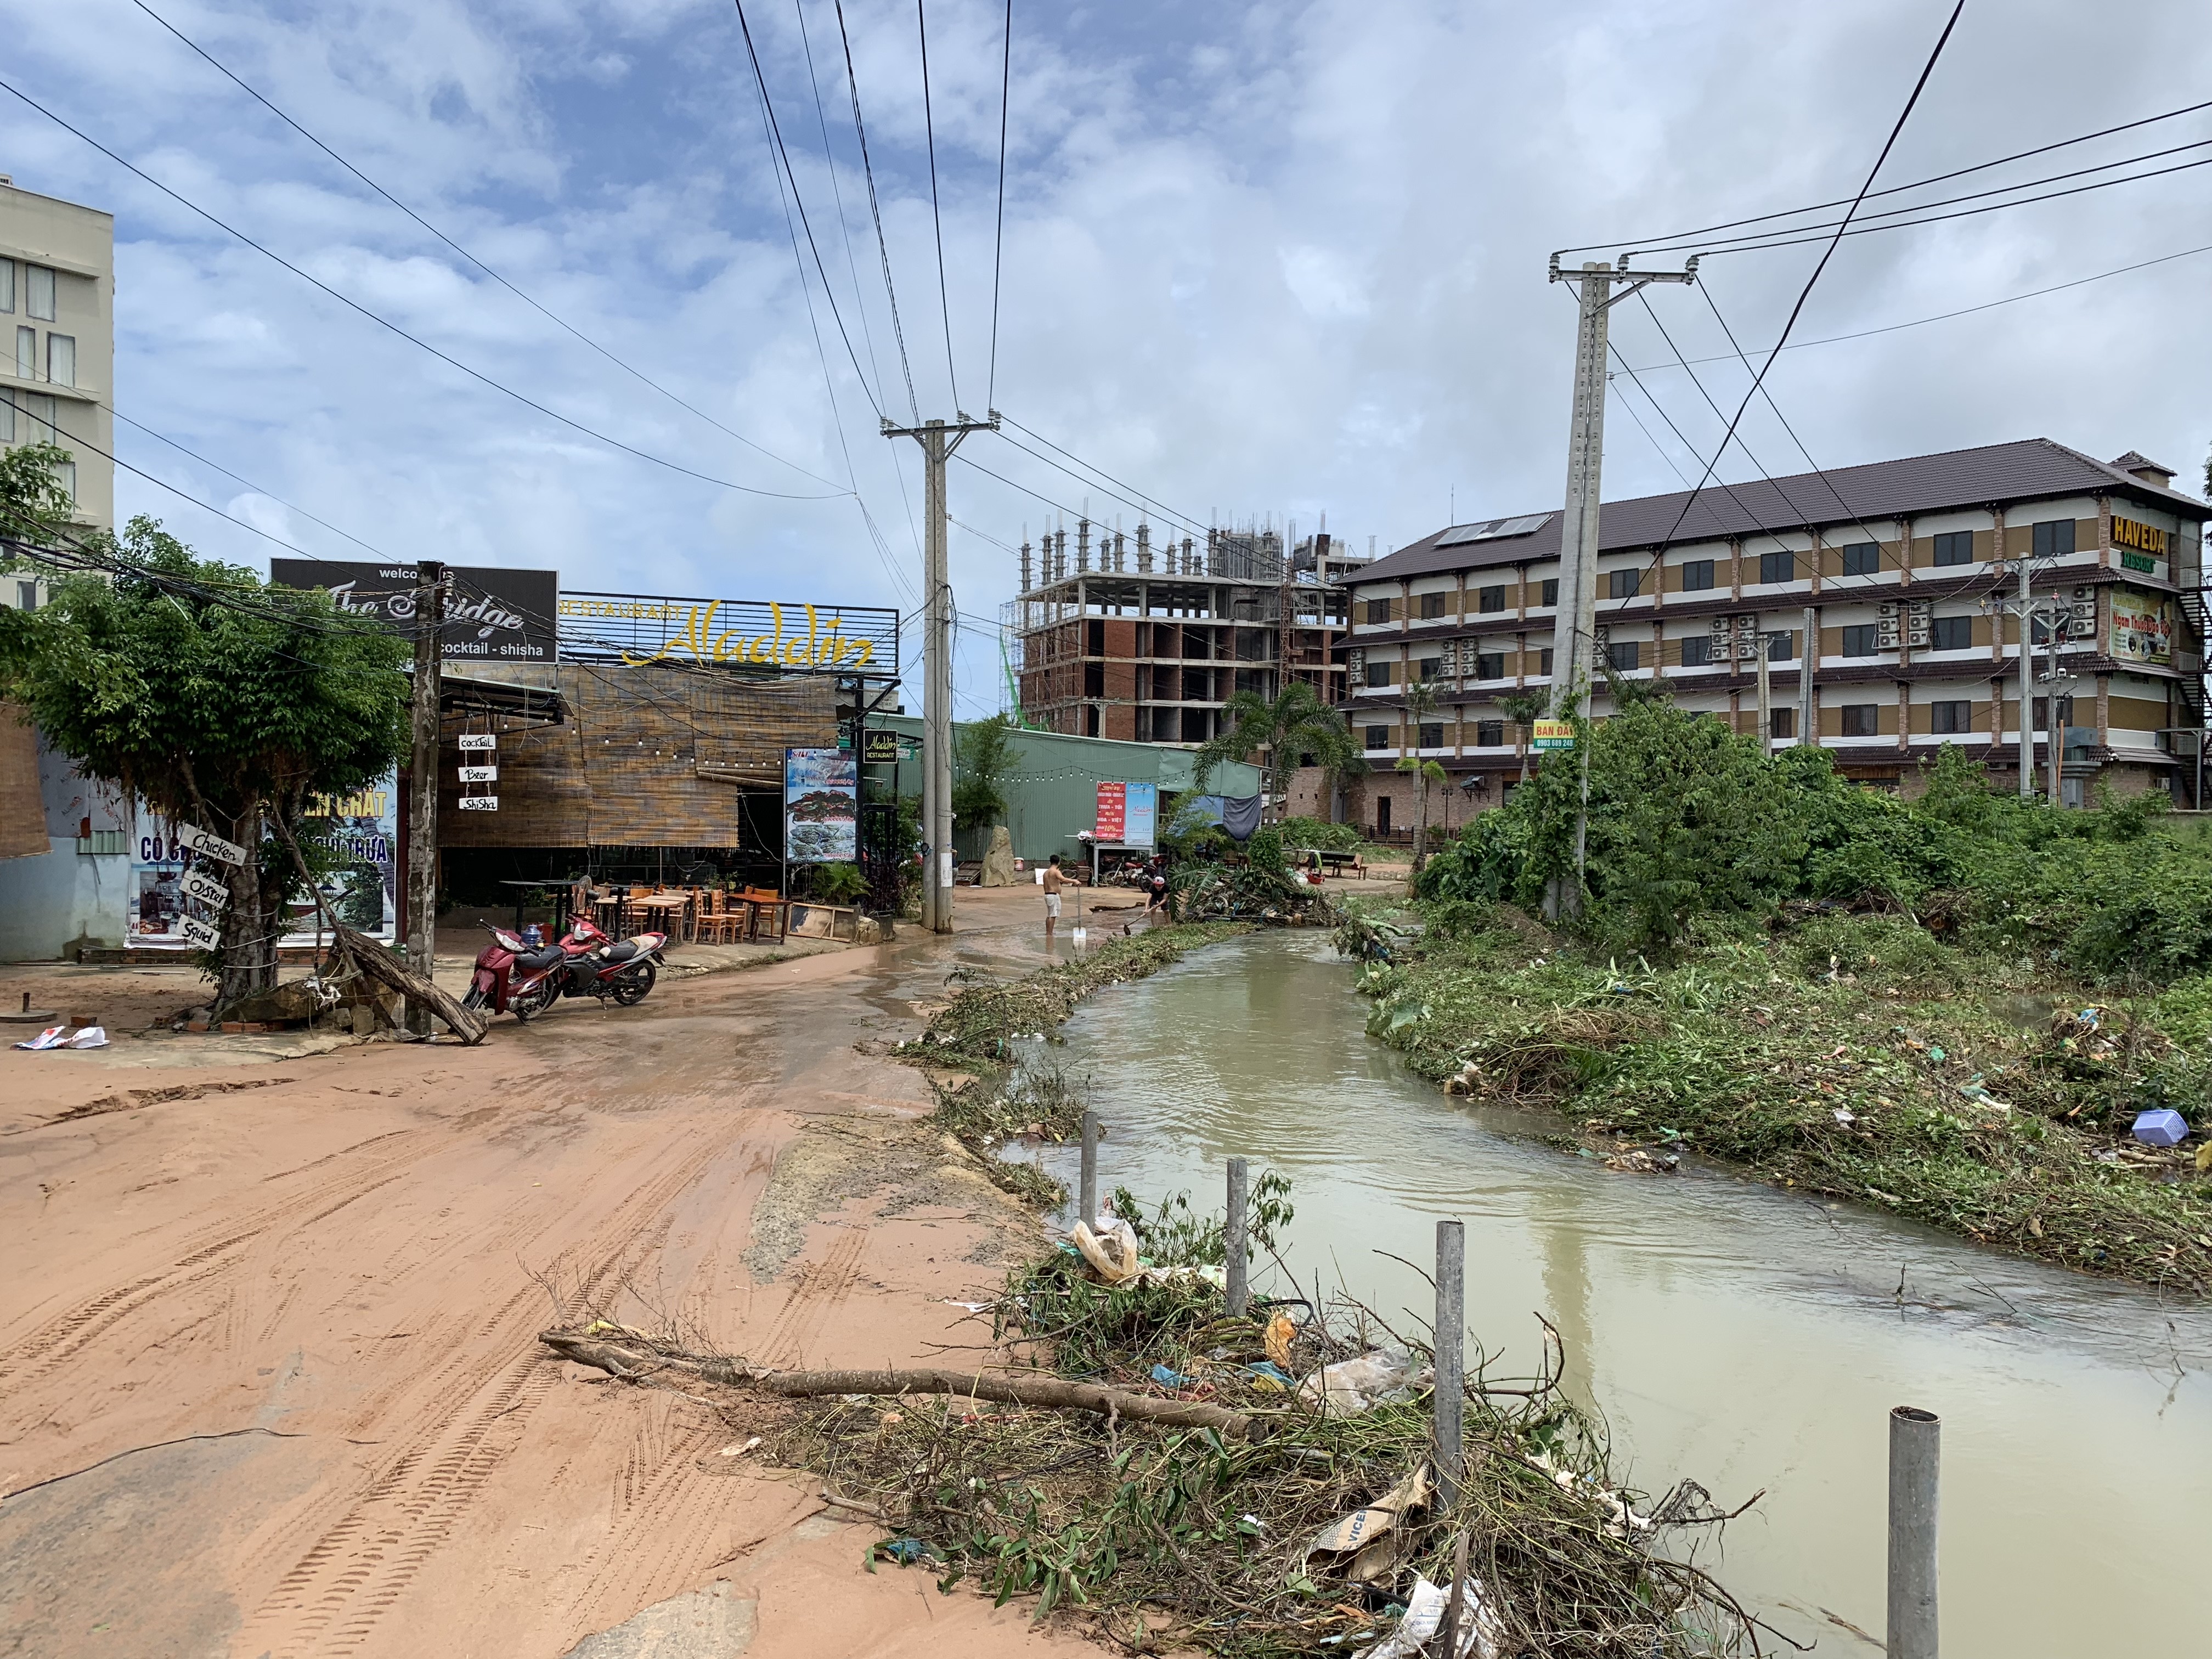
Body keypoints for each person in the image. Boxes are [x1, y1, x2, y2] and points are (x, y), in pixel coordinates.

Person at [1042, 853, 1066, 941]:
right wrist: (1075, 881)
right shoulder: (1056, 872)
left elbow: (1055, 882)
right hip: (1053, 895)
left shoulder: (1046, 872)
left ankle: (1048, 932)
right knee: (1053, 915)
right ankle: (1050, 933)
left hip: (1048, 895)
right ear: (1059, 862)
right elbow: (1063, 879)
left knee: (1050, 915)